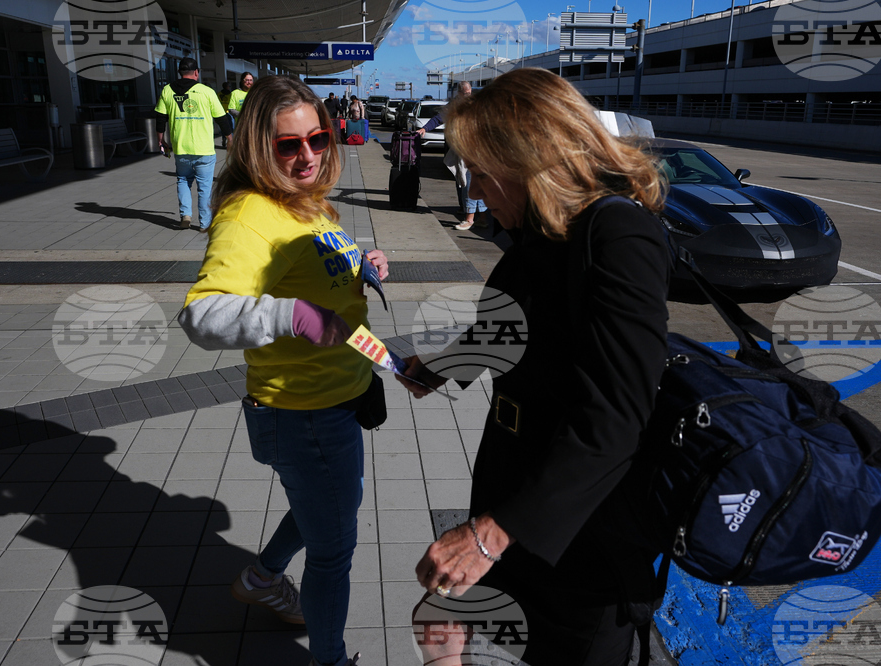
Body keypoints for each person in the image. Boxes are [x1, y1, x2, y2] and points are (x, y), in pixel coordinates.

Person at [399, 67, 671, 665]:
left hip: (578, 533)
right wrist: (439, 366)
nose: (475, 188)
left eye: (481, 171)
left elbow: (616, 419)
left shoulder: (618, 234)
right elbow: (516, 324)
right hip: (515, 499)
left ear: (524, 160)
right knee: (445, 624)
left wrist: (486, 537)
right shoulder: (541, 232)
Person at [178, 75, 388, 666]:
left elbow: (317, 284)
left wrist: (360, 266)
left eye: (318, 140)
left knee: (328, 506)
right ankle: (330, 659)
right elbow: (202, 314)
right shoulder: (249, 214)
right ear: (255, 148)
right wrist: (288, 314)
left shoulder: (306, 200)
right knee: (334, 551)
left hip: (338, 396)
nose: (307, 157)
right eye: (287, 145)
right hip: (305, 412)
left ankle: (263, 575)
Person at [154, 57, 232, 231]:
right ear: (196, 72)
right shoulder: (207, 91)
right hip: (204, 149)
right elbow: (222, 119)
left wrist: (161, 139)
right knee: (204, 187)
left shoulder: (167, 90)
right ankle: (204, 224)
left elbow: (160, 118)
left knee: (183, 180)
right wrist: (230, 139)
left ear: (180, 72)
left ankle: (185, 216)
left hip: (181, 149)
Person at [415, 81, 474, 229]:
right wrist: (424, 129)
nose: (468, 96)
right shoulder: (453, 106)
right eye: (465, 94)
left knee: (469, 182)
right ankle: (468, 210)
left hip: (473, 149)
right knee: (461, 178)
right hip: (459, 148)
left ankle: (470, 217)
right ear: (459, 94)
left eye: (469, 93)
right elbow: (438, 118)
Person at [218, 82, 232, 148]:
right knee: (227, 127)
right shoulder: (221, 94)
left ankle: (227, 139)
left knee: (227, 127)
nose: (229, 87)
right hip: (225, 112)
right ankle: (227, 139)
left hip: (225, 112)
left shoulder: (230, 94)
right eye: (228, 86)